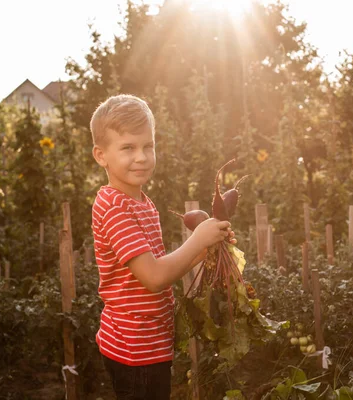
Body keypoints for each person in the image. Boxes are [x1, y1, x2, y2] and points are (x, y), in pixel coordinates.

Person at [90, 94, 235, 399]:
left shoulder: (141, 202)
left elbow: (161, 266)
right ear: (101, 155)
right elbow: (154, 277)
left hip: (150, 343)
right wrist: (197, 239)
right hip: (134, 349)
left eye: (148, 146)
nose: (141, 156)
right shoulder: (115, 207)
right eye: (128, 147)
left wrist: (206, 249)